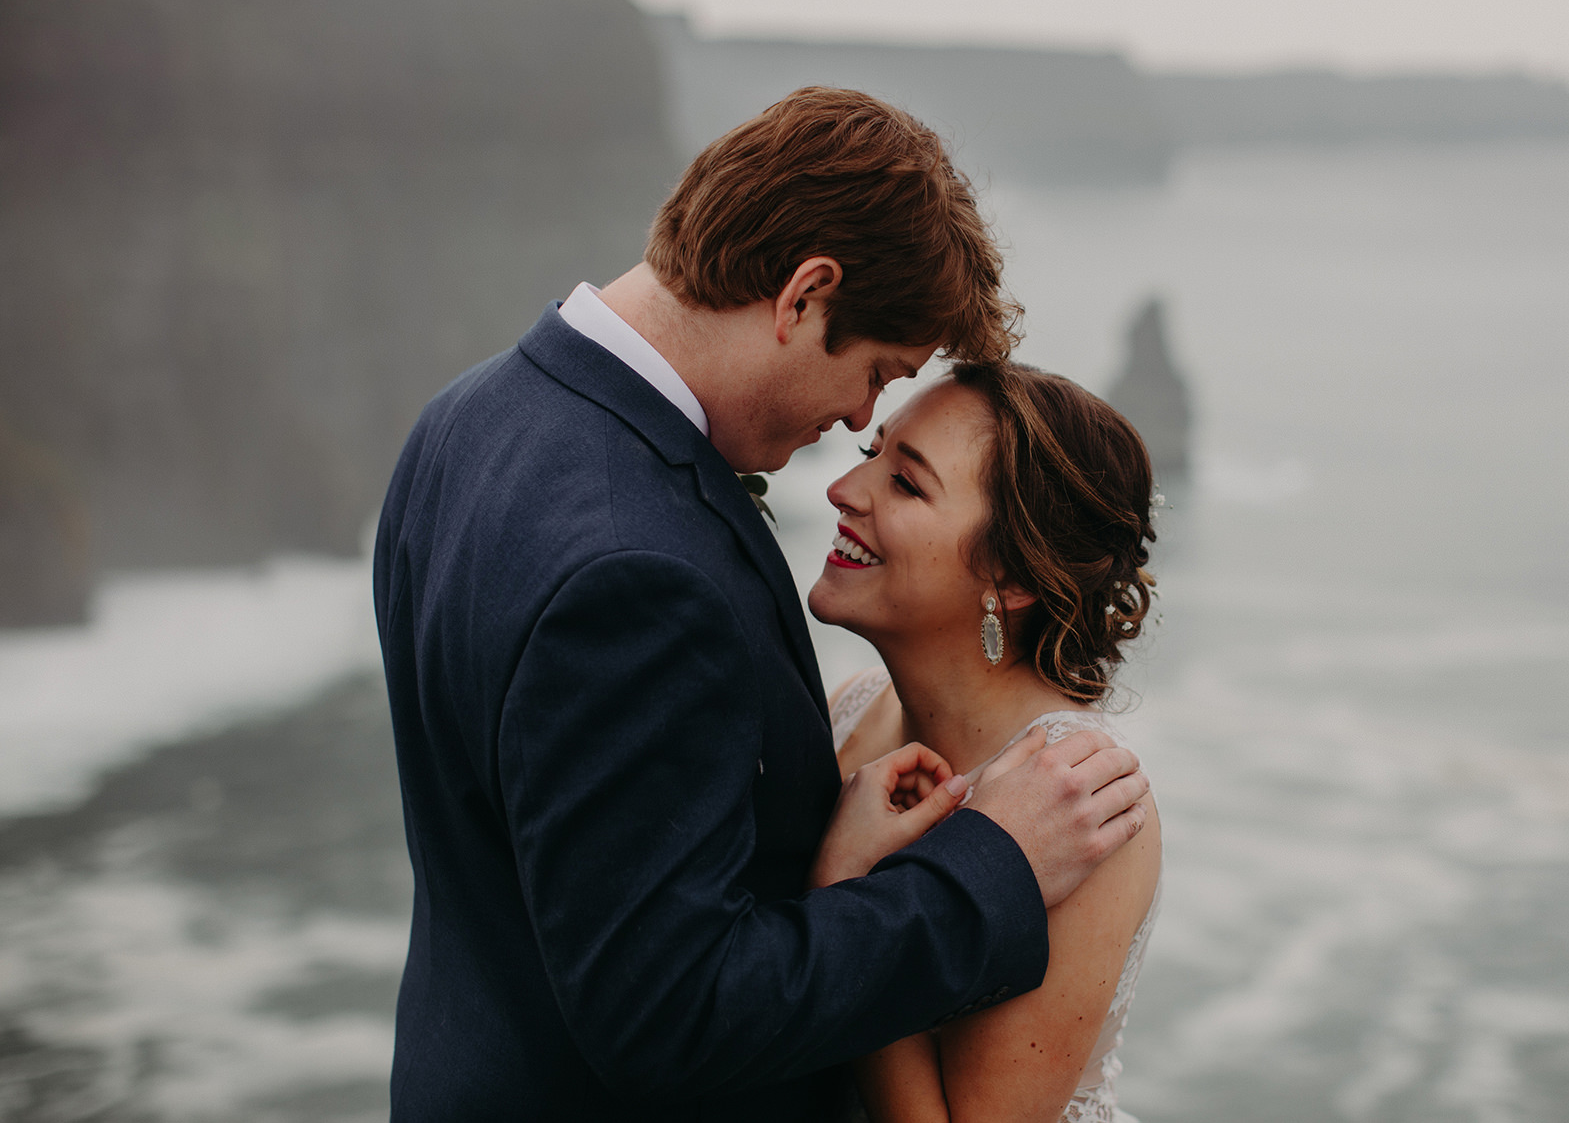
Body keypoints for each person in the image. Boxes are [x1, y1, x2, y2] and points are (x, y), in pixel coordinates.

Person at [371, 87, 1151, 1121]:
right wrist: (986, 865)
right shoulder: (635, 570)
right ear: (803, 296)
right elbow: (671, 1012)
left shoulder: (464, 423)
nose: (851, 429)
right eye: (873, 374)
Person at [811, 362, 1163, 1123]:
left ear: (1008, 576)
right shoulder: (850, 710)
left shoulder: (1081, 800)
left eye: (906, 484)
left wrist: (852, 897)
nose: (844, 489)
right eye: (873, 454)